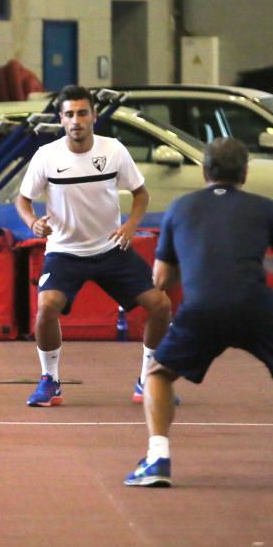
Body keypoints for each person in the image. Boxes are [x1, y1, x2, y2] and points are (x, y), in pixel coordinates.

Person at [125, 138, 273, 487]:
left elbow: (161, 279)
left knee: (158, 376)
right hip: (256, 305)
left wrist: (194, 267)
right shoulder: (266, 208)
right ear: (245, 173)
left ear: (204, 171)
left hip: (202, 308)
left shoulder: (180, 208)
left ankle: (157, 459)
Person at [15, 84, 171, 407]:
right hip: (64, 253)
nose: (76, 121)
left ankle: (149, 378)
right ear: (61, 119)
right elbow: (22, 200)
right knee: (45, 308)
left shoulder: (113, 150)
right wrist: (33, 223)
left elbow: (141, 194)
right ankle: (50, 380)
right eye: (69, 114)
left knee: (161, 305)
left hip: (111, 250)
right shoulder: (47, 156)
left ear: (94, 117)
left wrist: (130, 225)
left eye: (82, 113)